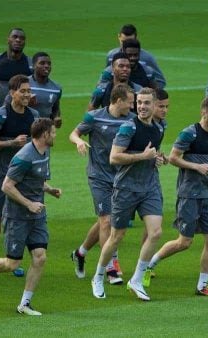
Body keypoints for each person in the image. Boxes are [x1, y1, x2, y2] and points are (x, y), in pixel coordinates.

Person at [0, 118, 61, 316]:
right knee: (12, 264)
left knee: (40, 257)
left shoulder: (45, 152)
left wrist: (50, 190)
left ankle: (25, 304)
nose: (55, 135)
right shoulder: (24, 157)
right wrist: (29, 204)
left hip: (37, 216)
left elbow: (36, 179)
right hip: (17, 216)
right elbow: (6, 186)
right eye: (53, 132)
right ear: (45, 134)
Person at [144, 96, 208, 297]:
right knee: (184, 242)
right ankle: (150, 264)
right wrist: (196, 166)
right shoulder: (190, 133)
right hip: (189, 194)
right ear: (204, 113)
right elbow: (172, 158)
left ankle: (202, 286)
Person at [91, 88, 166, 301]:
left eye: (146, 103)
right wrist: (143, 156)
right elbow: (114, 158)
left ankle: (137, 279)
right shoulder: (128, 127)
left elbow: (153, 154)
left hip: (150, 186)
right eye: (139, 102)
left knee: (156, 232)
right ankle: (97, 276)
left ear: (154, 105)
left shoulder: (158, 128)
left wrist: (158, 159)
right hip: (125, 188)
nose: (142, 106)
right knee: (116, 237)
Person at [69, 84, 136, 285]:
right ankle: (110, 268)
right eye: (130, 102)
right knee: (107, 221)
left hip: (122, 177)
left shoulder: (132, 121)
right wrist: (78, 142)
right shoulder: (95, 117)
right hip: (98, 176)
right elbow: (73, 133)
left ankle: (80, 253)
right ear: (118, 101)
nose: (132, 106)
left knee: (104, 221)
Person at [0, 74, 40, 277]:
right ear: (12, 93)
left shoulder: (33, 114)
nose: (26, 94)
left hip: (23, 175)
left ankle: (12, 258)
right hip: (1, 172)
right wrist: (11, 143)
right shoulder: (1, 114)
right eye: (22, 91)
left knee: (18, 216)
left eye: (28, 91)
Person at [0, 28, 32, 183]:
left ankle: (15, 184)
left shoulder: (29, 65)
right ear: (8, 39)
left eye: (21, 38)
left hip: (19, 114)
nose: (18, 40)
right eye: (15, 37)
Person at [106, 24, 166, 88]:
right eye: (123, 42)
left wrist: (150, 94)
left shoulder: (147, 58)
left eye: (130, 41)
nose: (127, 44)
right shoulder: (111, 55)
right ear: (119, 37)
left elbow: (160, 81)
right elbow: (108, 76)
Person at [27, 52, 63, 127]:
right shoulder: (24, 84)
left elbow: (55, 108)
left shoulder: (56, 88)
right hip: (24, 128)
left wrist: (56, 117)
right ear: (33, 66)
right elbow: (11, 105)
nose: (46, 66)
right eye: (42, 63)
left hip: (45, 130)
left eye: (49, 64)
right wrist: (26, 103)